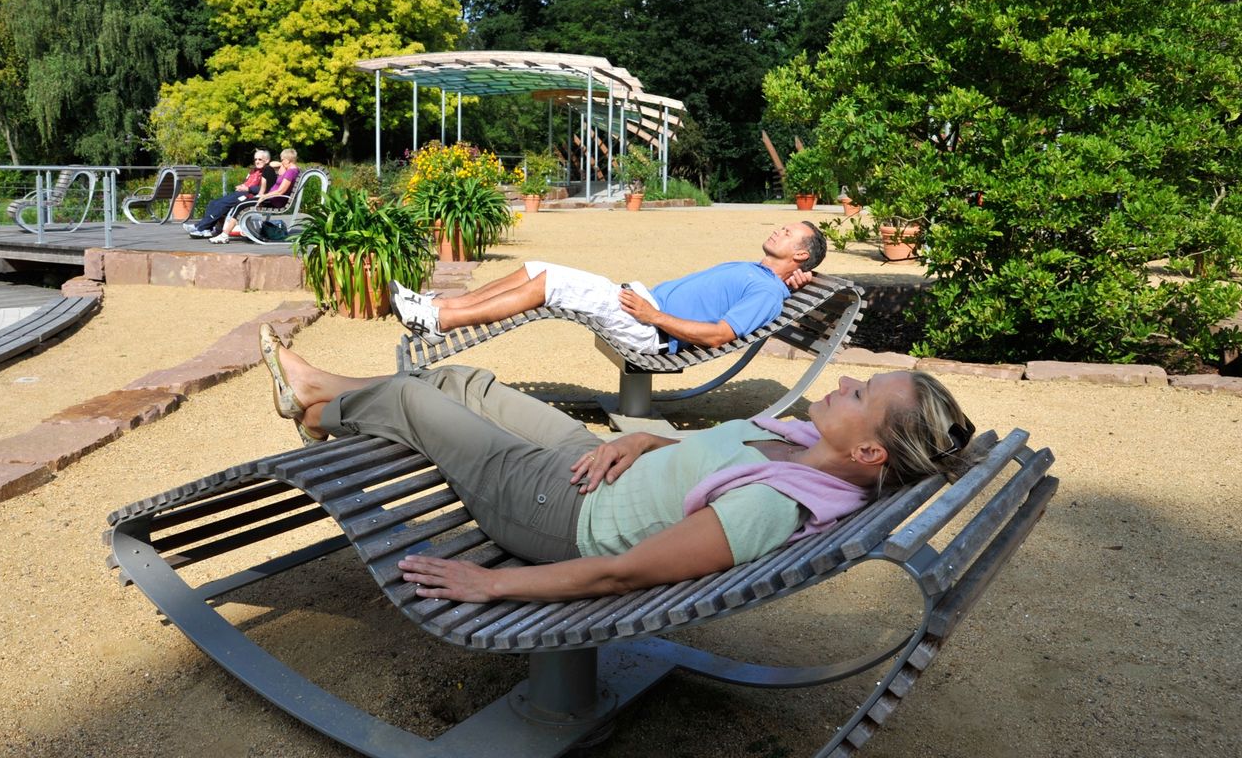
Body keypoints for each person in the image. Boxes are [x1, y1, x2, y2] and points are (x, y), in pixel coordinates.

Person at [258, 323, 977, 603]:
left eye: (863, 393)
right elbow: (704, 461)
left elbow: (624, 571)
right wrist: (643, 440)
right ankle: (319, 407)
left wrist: (491, 586)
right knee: (465, 382)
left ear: (870, 452)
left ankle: (315, 400)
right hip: (596, 464)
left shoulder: (774, 506)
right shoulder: (799, 439)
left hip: (560, 513)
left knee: (417, 396)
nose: (846, 382)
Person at [392, 222, 828, 352]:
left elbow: (719, 335)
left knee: (552, 283)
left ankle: (439, 320)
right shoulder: (768, 279)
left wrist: (653, 316)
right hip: (645, 307)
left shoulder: (768, 292)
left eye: (789, 233)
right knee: (536, 266)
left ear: (801, 254)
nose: (780, 230)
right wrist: (792, 284)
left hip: (651, 329)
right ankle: (444, 306)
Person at [209, 148, 300, 244]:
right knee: (241, 205)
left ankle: (224, 235)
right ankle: (230, 233)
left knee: (240, 206)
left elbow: (281, 191)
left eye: (282, 160)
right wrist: (282, 164)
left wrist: (264, 196)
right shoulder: (293, 170)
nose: (281, 162)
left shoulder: (290, 172)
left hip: (272, 200)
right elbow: (274, 165)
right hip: (272, 199)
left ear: (287, 160)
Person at [184, 149, 276, 238]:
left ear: (267, 160)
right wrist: (242, 186)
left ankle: (201, 228)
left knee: (222, 204)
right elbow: (248, 182)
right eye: (255, 159)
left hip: (249, 196)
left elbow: (264, 189)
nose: (257, 161)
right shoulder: (254, 171)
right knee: (213, 202)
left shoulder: (268, 171)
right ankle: (204, 227)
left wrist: (248, 188)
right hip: (241, 193)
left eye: (260, 159)